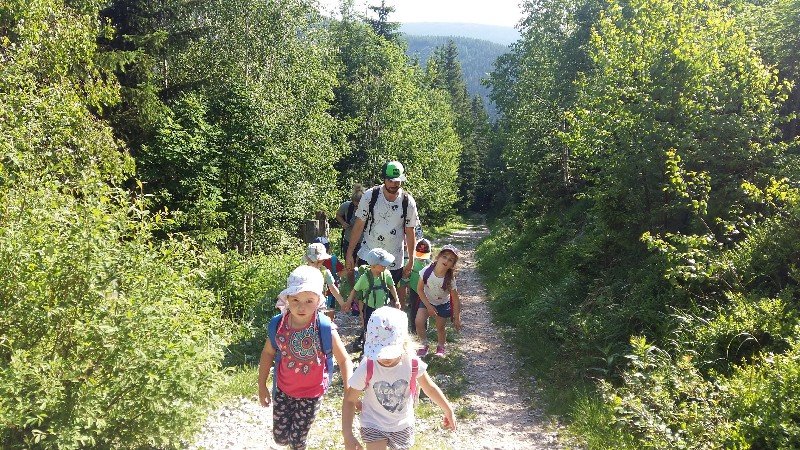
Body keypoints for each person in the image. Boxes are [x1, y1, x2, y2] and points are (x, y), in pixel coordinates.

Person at [258, 265, 354, 450]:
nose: (301, 307)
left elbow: (344, 360)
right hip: (283, 391)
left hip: (312, 394)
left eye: (309, 300)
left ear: (318, 300)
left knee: (297, 441)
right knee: (280, 438)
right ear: (287, 299)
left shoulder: (324, 328)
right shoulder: (278, 325)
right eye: (295, 299)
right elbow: (268, 353)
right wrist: (262, 385)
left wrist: (349, 390)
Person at [342, 307, 456, 450]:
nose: (385, 358)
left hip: (402, 425)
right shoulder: (368, 366)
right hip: (373, 423)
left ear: (403, 343)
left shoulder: (412, 363)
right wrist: (347, 434)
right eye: (380, 353)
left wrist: (448, 410)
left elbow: (429, 388)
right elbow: (350, 399)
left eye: (390, 353)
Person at [345, 161, 418, 291]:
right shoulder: (370, 196)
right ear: (384, 179)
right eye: (390, 180)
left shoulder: (408, 202)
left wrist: (411, 259)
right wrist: (350, 253)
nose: (394, 184)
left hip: (394, 259)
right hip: (368, 256)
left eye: (397, 181)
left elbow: (410, 231)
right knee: (365, 295)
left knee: (389, 297)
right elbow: (359, 225)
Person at [346, 248, 401, 351]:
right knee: (368, 327)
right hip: (369, 307)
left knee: (384, 326)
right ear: (374, 265)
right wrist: (349, 302)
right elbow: (355, 290)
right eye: (383, 265)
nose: (385, 266)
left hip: (384, 307)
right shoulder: (365, 278)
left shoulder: (386, 274)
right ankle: (366, 348)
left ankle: (382, 346)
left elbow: (391, 286)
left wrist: (397, 300)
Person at [415, 245, 462, 357]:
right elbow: (420, 290)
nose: (446, 261)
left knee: (440, 327)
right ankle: (424, 344)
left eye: (450, 260)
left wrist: (457, 317)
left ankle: (441, 347)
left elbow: (455, 300)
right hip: (426, 301)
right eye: (444, 257)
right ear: (438, 257)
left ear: (452, 265)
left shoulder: (450, 279)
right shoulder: (426, 271)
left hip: (442, 304)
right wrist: (429, 306)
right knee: (418, 322)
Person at [303, 242, 346, 318]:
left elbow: (333, 288)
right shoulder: (303, 272)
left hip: (321, 305)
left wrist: (342, 303)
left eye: (319, 262)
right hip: (305, 305)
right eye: (313, 262)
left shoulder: (324, 271)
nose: (316, 264)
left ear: (323, 260)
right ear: (307, 260)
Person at [403, 239, 433, 328]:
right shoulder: (411, 263)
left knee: (425, 308)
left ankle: (424, 327)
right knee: (414, 308)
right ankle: (413, 327)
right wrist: (406, 281)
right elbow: (405, 275)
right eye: (419, 255)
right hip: (414, 289)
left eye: (423, 256)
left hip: (426, 291)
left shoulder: (430, 265)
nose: (421, 258)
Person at [312, 237, 345, 314]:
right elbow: (340, 273)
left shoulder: (305, 270)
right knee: (329, 313)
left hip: (311, 299)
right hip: (330, 294)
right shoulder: (333, 260)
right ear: (328, 249)